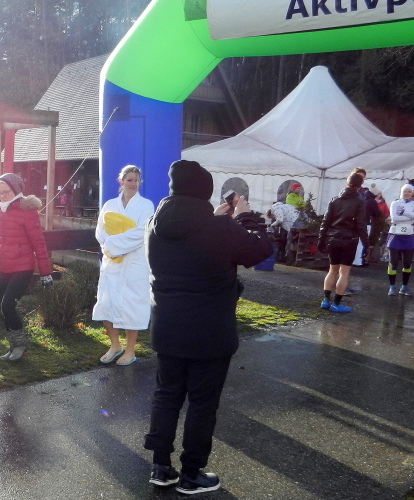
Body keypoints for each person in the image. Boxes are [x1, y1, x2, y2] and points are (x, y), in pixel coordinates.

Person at [143, 159, 271, 494]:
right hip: (210, 331)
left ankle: (160, 466)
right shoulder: (220, 228)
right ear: (205, 192)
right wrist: (244, 217)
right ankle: (192, 473)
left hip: (167, 326)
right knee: (202, 403)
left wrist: (217, 220)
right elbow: (260, 250)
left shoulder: (155, 223)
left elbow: (190, 242)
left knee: (166, 395)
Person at [0, 173, 53, 362]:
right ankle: (12, 347)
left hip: (22, 267)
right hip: (3, 266)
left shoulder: (27, 211)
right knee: (3, 308)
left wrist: (45, 273)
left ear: (16, 190)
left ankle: (20, 345)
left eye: (6, 192)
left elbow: (39, 243)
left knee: (8, 305)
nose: (2, 196)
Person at [92, 165, 154, 366]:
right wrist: (109, 247)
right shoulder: (110, 205)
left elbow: (140, 233)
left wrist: (112, 245)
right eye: (129, 180)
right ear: (121, 181)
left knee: (131, 305)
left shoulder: (146, 206)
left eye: (136, 180)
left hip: (134, 262)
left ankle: (130, 349)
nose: (133, 184)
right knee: (106, 303)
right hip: (111, 262)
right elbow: (100, 231)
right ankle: (115, 345)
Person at [317, 173, 368, 313]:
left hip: (333, 238)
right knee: (344, 273)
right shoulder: (360, 202)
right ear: (359, 186)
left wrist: (321, 239)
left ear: (347, 183)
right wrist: (366, 244)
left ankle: (325, 300)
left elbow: (325, 222)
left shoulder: (335, 200)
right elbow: (361, 225)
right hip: (349, 240)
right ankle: (336, 303)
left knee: (332, 270)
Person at [385, 184, 414, 296]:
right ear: (401, 192)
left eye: (409, 191)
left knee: (407, 263)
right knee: (393, 262)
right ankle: (392, 286)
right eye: (405, 191)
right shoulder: (395, 203)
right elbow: (395, 218)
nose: (407, 193)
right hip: (395, 234)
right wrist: (409, 216)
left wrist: (404, 213)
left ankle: (404, 287)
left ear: (412, 193)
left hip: (408, 235)